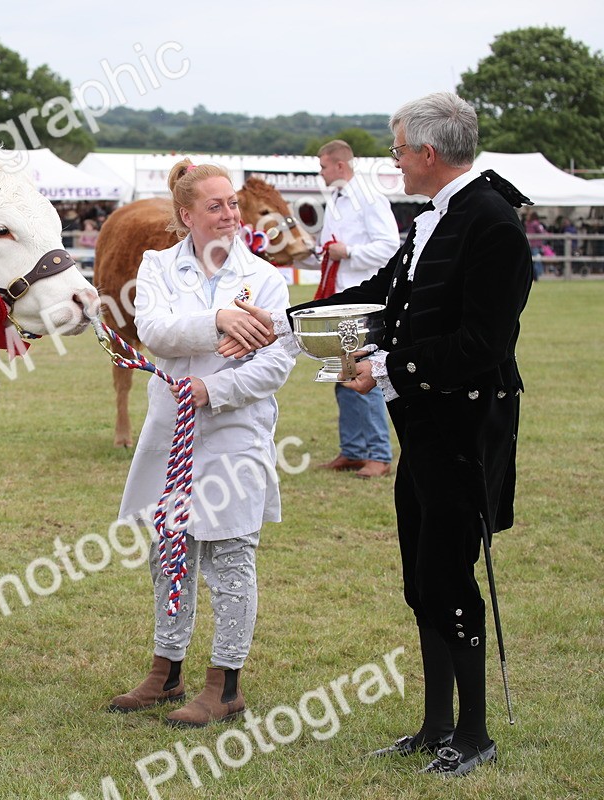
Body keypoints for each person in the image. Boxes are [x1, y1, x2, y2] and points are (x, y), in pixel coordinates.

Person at [230, 92, 531, 777]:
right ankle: (435, 726)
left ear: (427, 152)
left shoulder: (492, 224)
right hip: (422, 426)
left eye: (397, 150)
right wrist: (281, 325)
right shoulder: (430, 220)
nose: (394, 162)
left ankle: (474, 734)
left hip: (464, 428)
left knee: (449, 577)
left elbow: (484, 343)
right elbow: (379, 300)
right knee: (422, 579)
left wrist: (390, 367)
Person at [107, 160, 294, 728]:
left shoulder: (265, 277)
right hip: (172, 431)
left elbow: (276, 361)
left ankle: (225, 684)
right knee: (170, 551)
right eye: (216, 206)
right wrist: (221, 320)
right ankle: (166, 671)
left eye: (232, 203)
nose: (230, 214)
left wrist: (215, 388)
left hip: (236, 429)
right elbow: (155, 331)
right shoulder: (157, 266)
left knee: (231, 555)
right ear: (186, 215)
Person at [303, 139, 401, 478]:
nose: (321, 172)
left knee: (362, 373)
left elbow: (389, 247)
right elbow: (328, 251)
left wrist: (350, 252)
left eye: (323, 166)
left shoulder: (370, 198)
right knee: (342, 375)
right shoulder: (336, 199)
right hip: (340, 299)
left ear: (340, 165)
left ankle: (379, 454)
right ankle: (354, 450)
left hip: (363, 303)